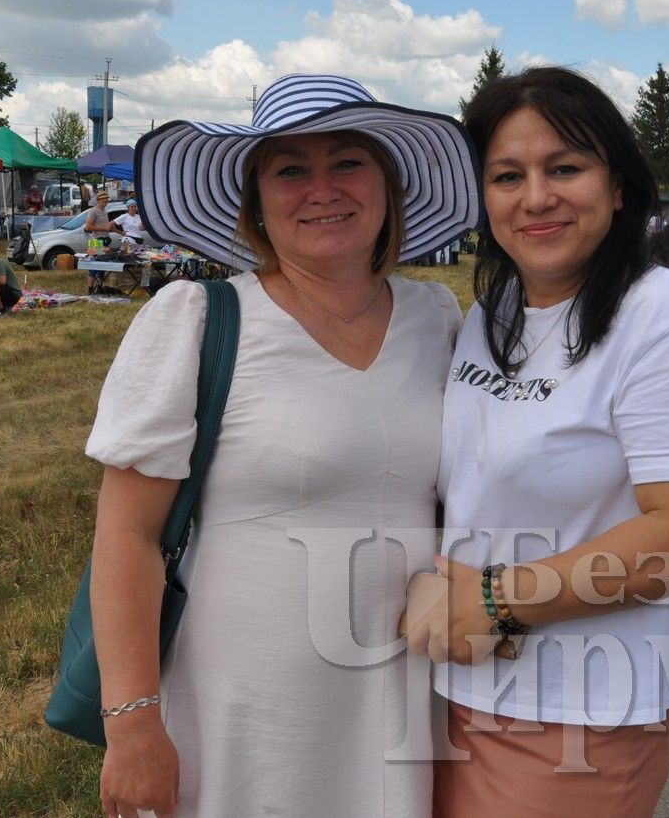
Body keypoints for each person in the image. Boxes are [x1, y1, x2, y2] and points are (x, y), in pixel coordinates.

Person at [86, 73, 478, 817]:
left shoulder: (437, 316)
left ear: (388, 186)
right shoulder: (197, 320)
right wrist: (132, 724)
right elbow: (127, 536)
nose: (321, 188)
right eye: (289, 168)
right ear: (256, 201)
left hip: (396, 696)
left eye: (347, 161)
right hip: (243, 712)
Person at [414, 66, 669, 816]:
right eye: (507, 175)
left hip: (580, 711)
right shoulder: (492, 312)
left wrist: (496, 600)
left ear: (619, 185)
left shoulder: (663, 318)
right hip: (459, 688)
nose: (536, 197)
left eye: (564, 167)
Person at [83, 190, 114, 293]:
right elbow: (88, 227)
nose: (106, 201)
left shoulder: (105, 212)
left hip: (105, 240)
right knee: (93, 265)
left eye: (107, 199)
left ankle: (100, 287)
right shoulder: (93, 211)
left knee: (102, 265)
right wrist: (105, 228)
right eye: (104, 199)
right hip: (95, 241)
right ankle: (90, 289)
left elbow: (107, 227)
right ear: (98, 200)